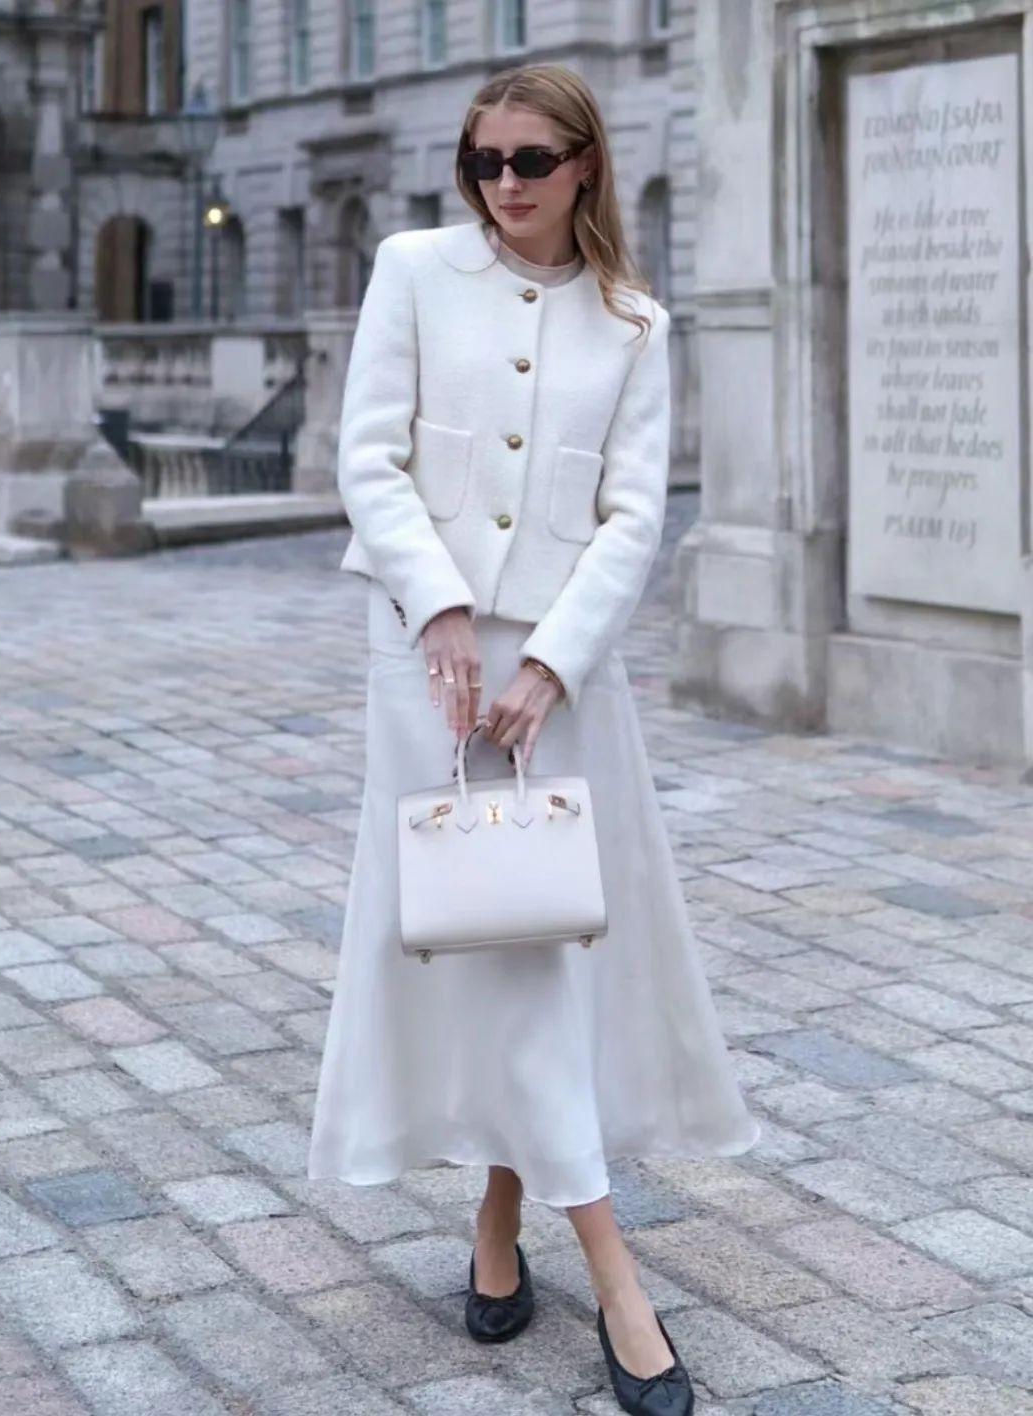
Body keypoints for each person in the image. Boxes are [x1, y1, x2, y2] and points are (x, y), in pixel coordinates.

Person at [306, 62, 761, 1415]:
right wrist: (441, 604)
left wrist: (554, 662)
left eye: (529, 161)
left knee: (542, 945)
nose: (503, 184)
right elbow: (367, 458)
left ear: (584, 166)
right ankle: (618, 1279)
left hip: (564, 674)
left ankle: (508, 1225)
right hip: (431, 665)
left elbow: (635, 515)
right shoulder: (413, 271)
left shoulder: (634, 322)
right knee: (498, 949)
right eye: (483, 162)